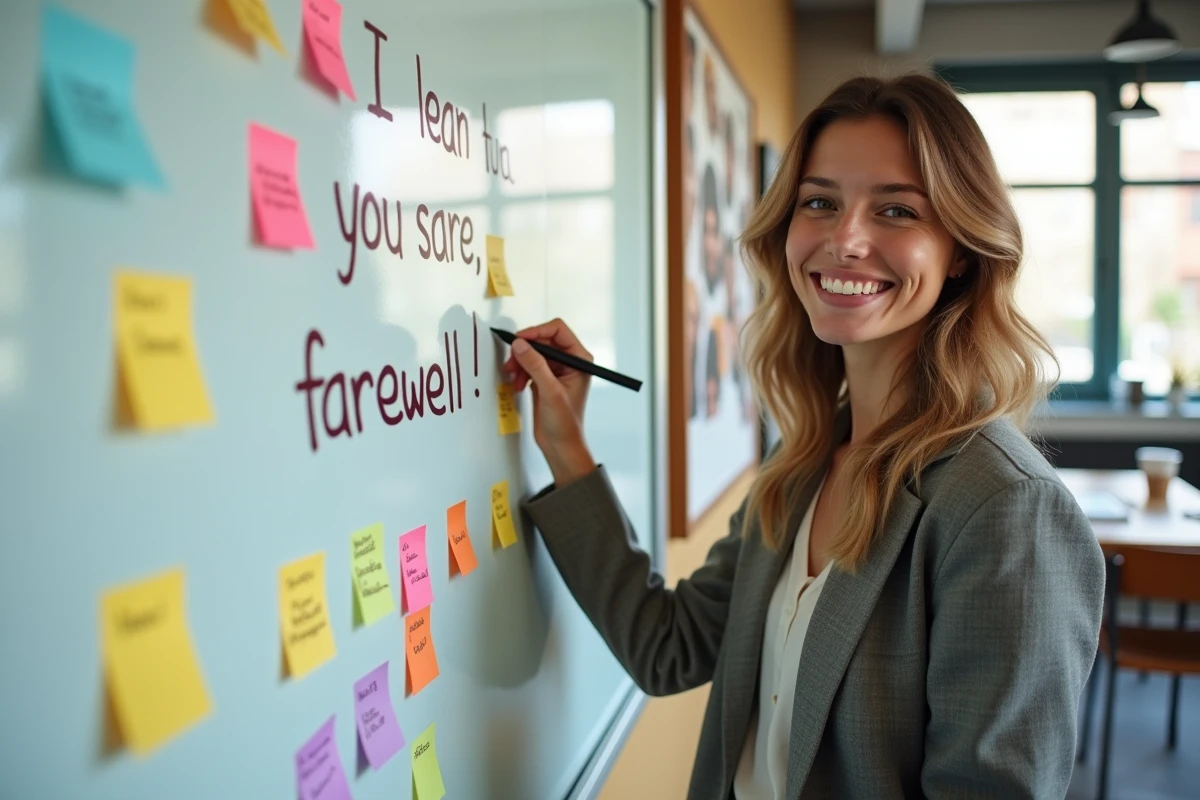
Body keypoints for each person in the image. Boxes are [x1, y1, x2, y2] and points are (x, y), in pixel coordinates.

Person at [501, 72, 1105, 799]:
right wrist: (566, 448)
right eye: (820, 203)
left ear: (963, 254)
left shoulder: (1007, 510)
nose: (845, 239)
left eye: (896, 211)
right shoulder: (805, 464)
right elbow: (668, 647)